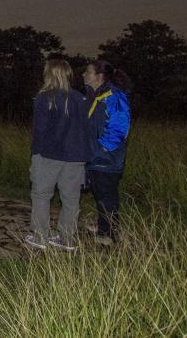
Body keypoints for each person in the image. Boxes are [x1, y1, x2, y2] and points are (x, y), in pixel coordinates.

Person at [25, 59, 89, 251]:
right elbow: (86, 128)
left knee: (41, 194)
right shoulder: (80, 98)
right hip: (76, 156)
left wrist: (35, 153)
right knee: (70, 198)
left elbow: (40, 129)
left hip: (49, 155)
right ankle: (67, 239)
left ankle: (40, 236)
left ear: (48, 74)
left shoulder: (45, 97)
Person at [83, 60, 132, 245]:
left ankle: (108, 236)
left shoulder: (114, 96)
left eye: (88, 72)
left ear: (99, 76)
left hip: (106, 158)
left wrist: (101, 148)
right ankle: (103, 227)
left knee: (107, 197)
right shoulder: (94, 96)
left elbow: (119, 128)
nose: (84, 75)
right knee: (100, 194)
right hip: (95, 157)